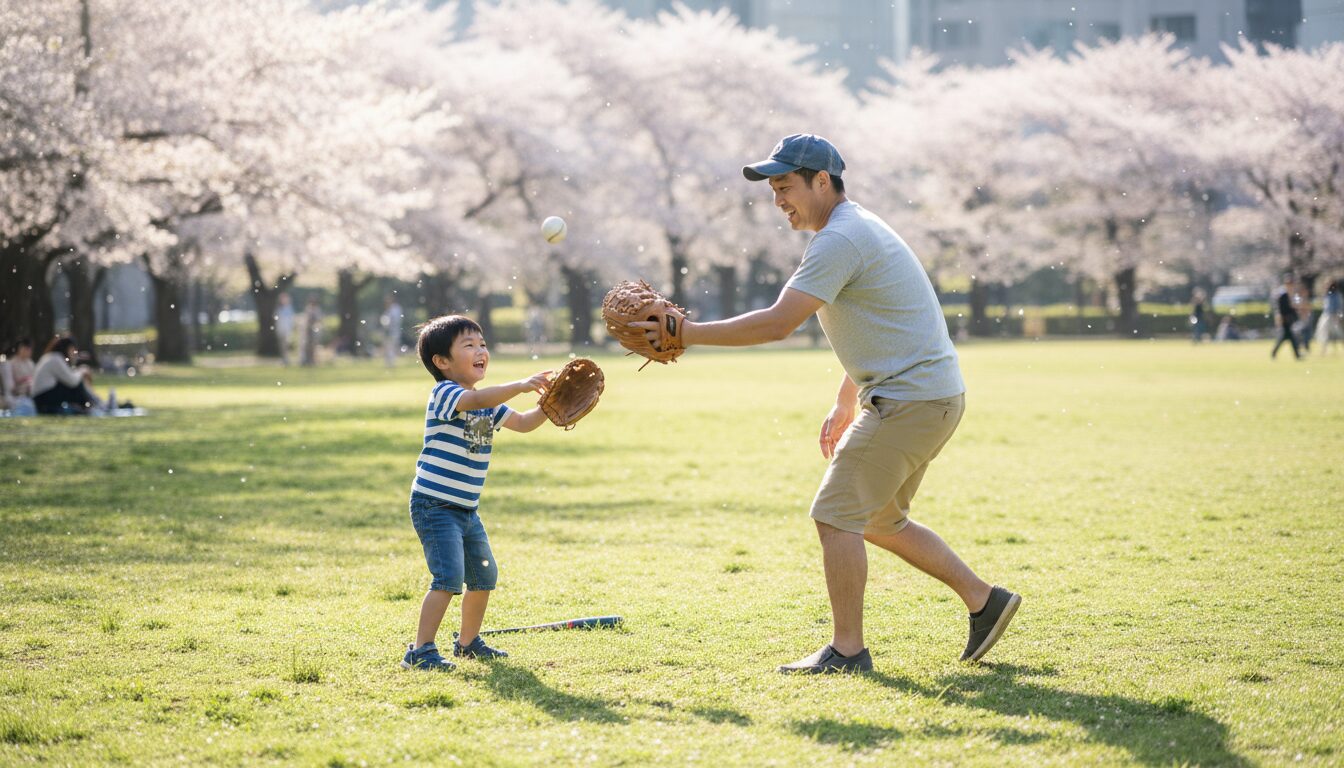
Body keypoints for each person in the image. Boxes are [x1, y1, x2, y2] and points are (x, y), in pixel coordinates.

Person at [634, 134, 1020, 673]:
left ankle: (846, 651)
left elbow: (778, 323)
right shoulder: (853, 227)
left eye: (786, 186)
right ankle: (986, 601)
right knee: (879, 521)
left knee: (835, 516)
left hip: (910, 400)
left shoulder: (840, 238)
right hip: (926, 396)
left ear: (823, 181)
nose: (778, 201)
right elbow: (874, 323)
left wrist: (688, 333)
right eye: (772, 190)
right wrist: (845, 403)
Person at [400, 314, 553, 671]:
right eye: (468, 345)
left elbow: (524, 422)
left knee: (483, 576)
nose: (480, 350)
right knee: (448, 579)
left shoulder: (487, 403)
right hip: (435, 505)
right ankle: (420, 651)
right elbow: (474, 400)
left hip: (467, 509)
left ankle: (467, 644)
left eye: (482, 344)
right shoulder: (445, 394)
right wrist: (520, 384)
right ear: (442, 362)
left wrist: (552, 403)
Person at [32, 336, 101, 414]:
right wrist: (82, 370)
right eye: (72, 350)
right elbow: (72, 381)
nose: (74, 353)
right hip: (44, 398)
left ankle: (94, 404)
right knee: (78, 385)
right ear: (66, 349)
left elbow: (70, 377)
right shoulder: (56, 359)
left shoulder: (51, 357)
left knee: (77, 384)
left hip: (42, 398)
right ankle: (95, 405)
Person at [1, 338, 37, 415]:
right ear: (20, 349)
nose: (28, 351)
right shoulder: (11, 363)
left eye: (29, 349)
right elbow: (9, 385)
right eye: (25, 349)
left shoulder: (31, 363)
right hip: (17, 394)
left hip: (30, 393)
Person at [1271, 276, 1301, 360]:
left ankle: (1275, 352)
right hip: (1285, 319)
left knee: (1286, 337)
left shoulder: (1289, 293)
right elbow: (1282, 308)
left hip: (1288, 319)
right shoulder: (1283, 295)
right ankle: (1297, 355)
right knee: (1290, 337)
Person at [1314, 280, 1342, 354]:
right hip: (1326, 315)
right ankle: (1324, 350)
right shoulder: (1327, 295)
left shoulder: (1336, 295)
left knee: (1337, 333)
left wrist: (1337, 316)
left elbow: (1339, 307)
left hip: (1333, 316)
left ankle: (1338, 349)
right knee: (1324, 333)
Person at [380, 293, 404, 369]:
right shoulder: (388, 310)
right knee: (388, 347)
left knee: (391, 347)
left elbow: (394, 321)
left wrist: (388, 325)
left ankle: (391, 363)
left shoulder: (395, 309)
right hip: (389, 331)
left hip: (393, 331)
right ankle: (389, 363)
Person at [300, 297, 322, 367]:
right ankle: (307, 360)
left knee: (313, 347)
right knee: (307, 346)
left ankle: (312, 360)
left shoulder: (317, 310)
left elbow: (319, 320)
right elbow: (306, 320)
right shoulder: (308, 309)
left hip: (314, 330)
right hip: (308, 330)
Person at [275, 292, 296, 366]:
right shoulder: (279, 309)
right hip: (281, 329)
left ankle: (286, 359)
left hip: (287, 330)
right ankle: (284, 359)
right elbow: (277, 320)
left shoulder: (289, 308)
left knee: (286, 345)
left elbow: (291, 320)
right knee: (282, 346)